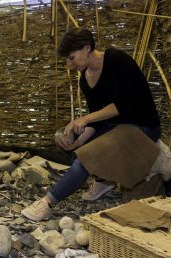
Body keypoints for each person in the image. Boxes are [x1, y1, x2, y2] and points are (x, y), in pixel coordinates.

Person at [21, 27, 161, 221]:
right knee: (71, 139)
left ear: (86, 47)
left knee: (85, 158)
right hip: (113, 126)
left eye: (71, 57)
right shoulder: (85, 80)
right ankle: (103, 180)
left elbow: (123, 105)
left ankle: (47, 203)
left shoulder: (116, 60)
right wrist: (79, 142)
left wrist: (85, 120)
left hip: (141, 128)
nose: (69, 65)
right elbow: (98, 119)